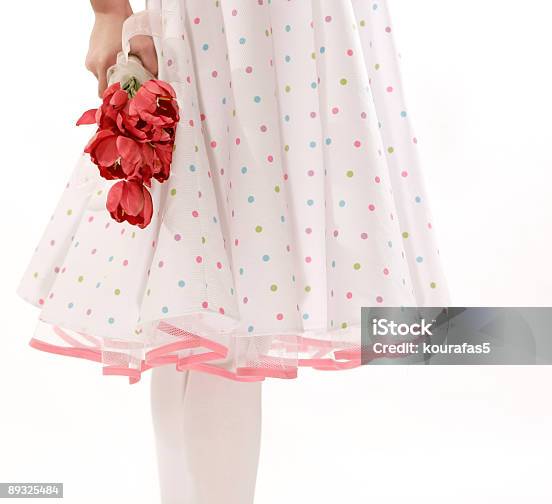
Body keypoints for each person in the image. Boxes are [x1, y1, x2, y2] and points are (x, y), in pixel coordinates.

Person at [17, 0, 450, 502]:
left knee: (204, 290)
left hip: (298, 22)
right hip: (237, 21)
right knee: (219, 295)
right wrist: (109, 11)